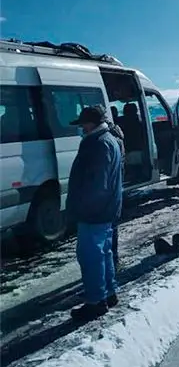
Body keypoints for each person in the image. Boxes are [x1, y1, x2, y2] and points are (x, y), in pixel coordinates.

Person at [66, 106, 124, 322]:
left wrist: (82, 209)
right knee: (104, 253)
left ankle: (95, 301)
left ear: (90, 123)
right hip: (106, 210)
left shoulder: (97, 144)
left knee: (90, 256)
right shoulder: (109, 140)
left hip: (95, 212)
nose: (81, 127)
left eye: (82, 124)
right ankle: (109, 293)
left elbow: (97, 184)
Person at [104, 107, 127, 269]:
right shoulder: (117, 137)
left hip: (109, 191)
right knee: (112, 226)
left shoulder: (109, 141)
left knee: (109, 227)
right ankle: (113, 261)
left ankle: (112, 262)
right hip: (115, 188)